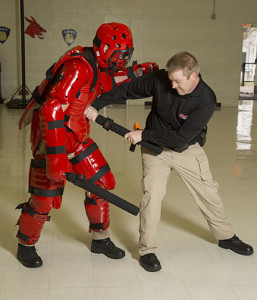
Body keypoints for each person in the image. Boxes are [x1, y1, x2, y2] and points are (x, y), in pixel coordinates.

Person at [85, 51, 254, 272]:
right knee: (152, 197)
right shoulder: (161, 78)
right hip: (156, 150)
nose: (172, 86)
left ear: (194, 76)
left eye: (178, 81)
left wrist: (143, 135)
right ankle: (147, 250)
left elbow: (181, 138)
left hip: (186, 148)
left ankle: (226, 237)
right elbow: (126, 90)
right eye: (170, 80)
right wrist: (96, 105)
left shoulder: (206, 99)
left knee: (209, 193)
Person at [17, 22, 158, 268]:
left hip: (77, 137)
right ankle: (25, 244)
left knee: (100, 184)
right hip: (51, 141)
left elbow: (107, 80)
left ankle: (100, 240)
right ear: (103, 48)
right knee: (44, 199)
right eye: (119, 53)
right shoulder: (78, 68)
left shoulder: (96, 64)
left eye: (127, 53)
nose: (122, 59)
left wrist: (136, 71)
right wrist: (57, 157)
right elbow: (51, 109)